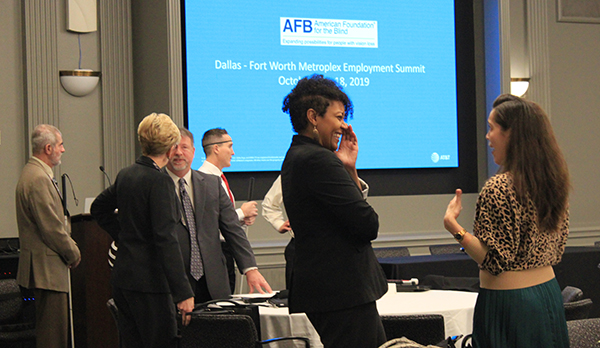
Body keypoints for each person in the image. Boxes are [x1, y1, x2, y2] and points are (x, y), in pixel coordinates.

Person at [443, 94, 570, 348]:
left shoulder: (499, 188)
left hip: (510, 305)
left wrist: (453, 227)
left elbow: (494, 261)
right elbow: (558, 246)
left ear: (511, 134)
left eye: (492, 129)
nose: (488, 137)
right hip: (548, 296)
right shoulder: (553, 182)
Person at [281, 74, 388, 348]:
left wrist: (349, 168)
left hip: (332, 293)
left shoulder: (297, 155)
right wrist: (343, 168)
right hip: (343, 293)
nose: (344, 125)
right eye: (338, 117)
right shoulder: (318, 159)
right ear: (313, 117)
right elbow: (367, 224)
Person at [91, 113, 194, 348]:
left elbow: (99, 208)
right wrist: (184, 293)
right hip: (151, 284)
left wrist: (126, 236)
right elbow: (166, 239)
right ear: (169, 148)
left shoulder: (127, 174)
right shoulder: (160, 182)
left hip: (123, 278)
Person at [165, 127, 272, 303]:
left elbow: (232, 229)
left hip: (213, 282)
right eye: (173, 147)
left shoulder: (212, 184)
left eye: (184, 147)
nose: (178, 153)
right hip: (173, 285)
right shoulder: (155, 184)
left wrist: (250, 269)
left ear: (193, 151)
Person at [15, 124, 81, 348]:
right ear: (48, 147)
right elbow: (51, 227)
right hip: (47, 271)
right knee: (53, 338)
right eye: (60, 145)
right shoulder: (38, 178)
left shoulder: (33, 173)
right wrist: (73, 252)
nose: (63, 150)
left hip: (45, 270)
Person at [199, 128, 258, 292]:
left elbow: (224, 219)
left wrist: (240, 218)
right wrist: (241, 212)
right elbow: (210, 221)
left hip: (226, 251)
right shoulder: (203, 180)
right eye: (230, 146)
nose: (233, 152)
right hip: (214, 253)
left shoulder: (220, 179)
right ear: (216, 148)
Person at [261, 175, 295, 289]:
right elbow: (269, 205)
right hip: (300, 248)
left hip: (335, 249)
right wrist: (278, 223)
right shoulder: (293, 171)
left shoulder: (339, 170)